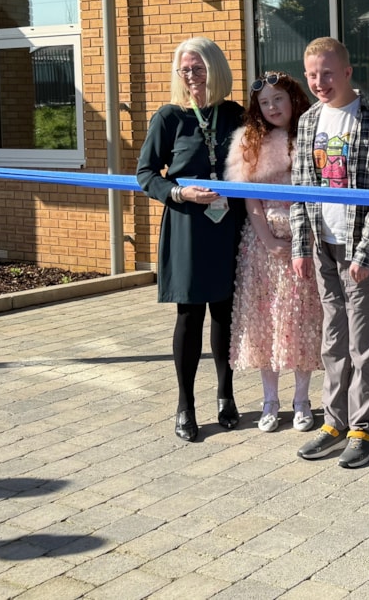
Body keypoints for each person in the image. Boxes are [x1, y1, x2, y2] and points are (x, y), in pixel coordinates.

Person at [290, 38, 369, 469]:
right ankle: (333, 421)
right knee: (333, 339)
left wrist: (367, 254)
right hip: (324, 247)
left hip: (360, 251)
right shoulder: (308, 121)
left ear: (348, 72)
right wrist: (300, 246)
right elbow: (298, 190)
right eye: (312, 74)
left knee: (363, 343)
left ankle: (363, 428)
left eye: (328, 73)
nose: (319, 82)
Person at [137, 37, 246, 442]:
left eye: (198, 69)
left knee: (224, 312)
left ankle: (225, 394)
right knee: (189, 315)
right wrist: (179, 192)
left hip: (226, 225)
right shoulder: (169, 117)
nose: (191, 77)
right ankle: (185, 404)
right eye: (185, 70)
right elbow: (146, 174)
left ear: (214, 70)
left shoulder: (234, 114)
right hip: (186, 226)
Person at [225, 72, 323, 434]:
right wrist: (267, 239)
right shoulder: (249, 141)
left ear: (292, 98)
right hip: (262, 246)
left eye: (278, 99)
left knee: (300, 324)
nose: (271, 108)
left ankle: (302, 401)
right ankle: (269, 401)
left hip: (303, 241)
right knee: (266, 323)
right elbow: (251, 199)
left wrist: (301, 241)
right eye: (264, 103)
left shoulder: (310, 135)